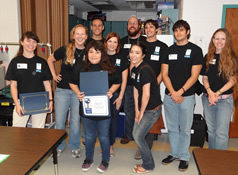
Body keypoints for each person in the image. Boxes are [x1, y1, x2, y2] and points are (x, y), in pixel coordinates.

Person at [69, 40, 121, 173]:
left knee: (104, 136)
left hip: (103, 109)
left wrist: (111, 91)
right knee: (90, 136)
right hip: (87, 108)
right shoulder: (81, 66)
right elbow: (72, 82)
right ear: (87, 53)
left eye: (97, 52)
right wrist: (78, 93)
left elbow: (117, 82)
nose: (93, 55)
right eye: (91, 52)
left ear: (101, 54)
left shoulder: (108, 67)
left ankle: (105, 160)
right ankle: (88, 159)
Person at [161, 20, 203, 171]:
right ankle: (174, 153)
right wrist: (173, 92)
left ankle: (184, 156)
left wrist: (180, 92)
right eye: (176, 30)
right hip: (169, 96)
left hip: (187, 96)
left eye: (181, 30)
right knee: (172, 127)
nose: (178, 33)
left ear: (188, 31)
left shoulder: (196, 50)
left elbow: (194, 76)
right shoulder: (168, 50)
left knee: (185, 129)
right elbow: (164, 74)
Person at [47, 24, 88, 158]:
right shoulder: (65, 49)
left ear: (86, 36)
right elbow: (50, 60)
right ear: (73, 35)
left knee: (76, 121)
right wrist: (54, 76)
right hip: (62, 90)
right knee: (60, 121)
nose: (80, 36)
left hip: (79, 91)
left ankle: (74, 146)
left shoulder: (88, 51)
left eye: (83, 34)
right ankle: (59, 146)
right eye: (78, 34)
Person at [134, 19, 168, 160]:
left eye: (151, 27)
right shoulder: (140, 44)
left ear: (156, 29)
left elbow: (164, 68)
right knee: (140, 115)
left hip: (153, 86)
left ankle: (146, 147)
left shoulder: (163, 46)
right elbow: (134, 62)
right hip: (138, 84)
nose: (148, 30)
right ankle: (141, 145)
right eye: (146, 27)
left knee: (149, 115)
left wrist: (154, 83)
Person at [5, 31, 53, 128]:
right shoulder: (15, 62)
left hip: (40, 100)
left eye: (34, 42)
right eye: (28, 41)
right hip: (21, 101)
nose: (31, 44)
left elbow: (47, 84)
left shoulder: (42, 62)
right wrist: (17, 104)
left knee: (38, 132)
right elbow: (13, 85)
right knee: (17, 132)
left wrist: (50, 101)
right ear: (21, 42)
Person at [201, 28, 238, 150]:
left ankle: (221, 162)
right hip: (208, 99)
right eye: (217, 38)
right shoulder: (208, 56)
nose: (219, 41)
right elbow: (205, 77)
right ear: (213, 40)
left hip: (224, 100)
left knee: (221, 134)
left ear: (227, 41)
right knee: (211, 131)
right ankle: (213, 158)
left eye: (223, 39)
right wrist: (210, 92)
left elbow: (233, 80)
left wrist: (217, 93)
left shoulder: (232, 58)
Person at [130, 42, 162, 173]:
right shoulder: (134, 69)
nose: (133, 55)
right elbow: (136, 90)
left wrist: (141, 112)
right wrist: (137, 110)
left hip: (151, 109)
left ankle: (148, 165)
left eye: (137, 53)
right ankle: (147, 161)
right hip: (143, 108)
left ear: (143, 55)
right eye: (132, 52)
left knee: (138, 136)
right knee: (136, 134)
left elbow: (146, 95)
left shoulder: (146, 70)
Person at [120, 16, 146, 144]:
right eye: (130, 23)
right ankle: (129, 134)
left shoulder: (145, 41)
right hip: (128, 83)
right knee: (129, 110)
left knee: (144, 110)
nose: (132, 25)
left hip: (143, 83)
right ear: (127, 26)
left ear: (139, 26)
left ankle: (142, 137)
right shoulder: (122, 41)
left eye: (134, 23)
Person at [104, 32, 128, 156]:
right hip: (102, 95)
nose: (112, 44)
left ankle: (110, 145)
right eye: (110, 41)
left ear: (118, 44)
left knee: (113, 121)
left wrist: (120, 97)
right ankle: (104, 144)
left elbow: (124, 80)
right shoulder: (100, 57)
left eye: (115, 42)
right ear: (106, 42)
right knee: (103, 121)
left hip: (116, 95)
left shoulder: (122, 58)